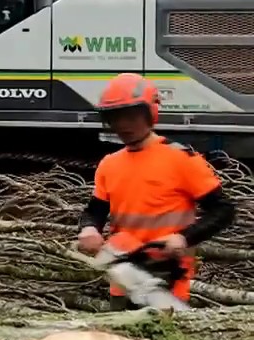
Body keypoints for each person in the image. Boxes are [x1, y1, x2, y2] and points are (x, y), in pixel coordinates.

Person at [75, 72, 236, 309]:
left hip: (169, 278)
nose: (123, 125)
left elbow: (223, 210)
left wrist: (184, 237)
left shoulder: (181, 159)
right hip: (123, 276)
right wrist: (89, 228)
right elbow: (95, 210)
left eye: (131, 116)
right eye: (115, 118)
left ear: (150, 113)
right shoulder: (109, 163)